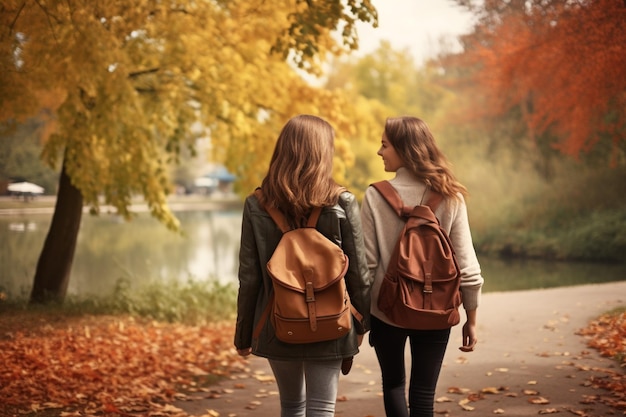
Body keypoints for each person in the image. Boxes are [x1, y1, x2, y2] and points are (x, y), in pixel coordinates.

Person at [234, 114, 371, 417]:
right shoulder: (342, 201)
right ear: (324, 152)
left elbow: (249, 278)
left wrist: (243, 335)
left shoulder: (256, 205)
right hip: (333, 320)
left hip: (276, 321)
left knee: (292, 406)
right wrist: (361, 323)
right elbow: (360, 273)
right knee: (322, 409)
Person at [361, 116, 484, 417]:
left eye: (385, 145)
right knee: (424, 393)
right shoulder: (451, 195)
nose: (379, 152)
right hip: (437, 307)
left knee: (392, 385)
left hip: (386, 309)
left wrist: (362, 320)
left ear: (404, 149)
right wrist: (471, 317)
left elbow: (367, 267)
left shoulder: (375, 196)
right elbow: (466, 265)